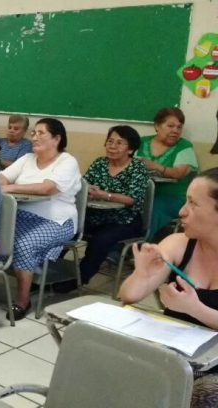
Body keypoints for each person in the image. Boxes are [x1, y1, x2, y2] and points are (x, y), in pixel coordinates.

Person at [118, 167, 218, 408]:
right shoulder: (178, 243)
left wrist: (196, 309)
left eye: (193, 204)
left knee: (206, 396)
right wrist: (142, 274)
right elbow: (128, 295)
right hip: (175, 359)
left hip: (210, 369)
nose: (182, 212)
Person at [0, 118, 81, 320]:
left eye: (41, 133)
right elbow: (1, 177)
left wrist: (10, 188)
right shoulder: (27, 159)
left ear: (56, 139)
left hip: (57, 220)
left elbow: (47, 188)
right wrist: (2, 182)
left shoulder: (67, 161)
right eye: (33, 133)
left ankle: (22, 300)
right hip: (22, 214)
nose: (34, 137)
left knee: (23, 244)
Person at [54, 126, 149, 293]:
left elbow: (131, 199)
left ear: (131, 149)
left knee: (100, 240)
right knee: (66, 227)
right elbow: (83, 184)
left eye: (119, 143)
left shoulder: (137, 168)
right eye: (110, 141)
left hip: (124, 220)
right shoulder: (99, 163)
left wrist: (105, 195)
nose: (112, 146)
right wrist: (87, 190)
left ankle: (79, 278)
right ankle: (50, 270)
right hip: (95, 215)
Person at [135, 107, 198, 241]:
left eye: (179, 127)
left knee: (152, 207)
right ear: (157, 126)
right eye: (170, 126)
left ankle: (140, 246)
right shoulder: (141, 142)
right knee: (128, 204)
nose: (175, 131)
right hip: (140, 193)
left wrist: (155, 166)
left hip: (172, 198)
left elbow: (179, 173)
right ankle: (118, 246)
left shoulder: (184, 146)